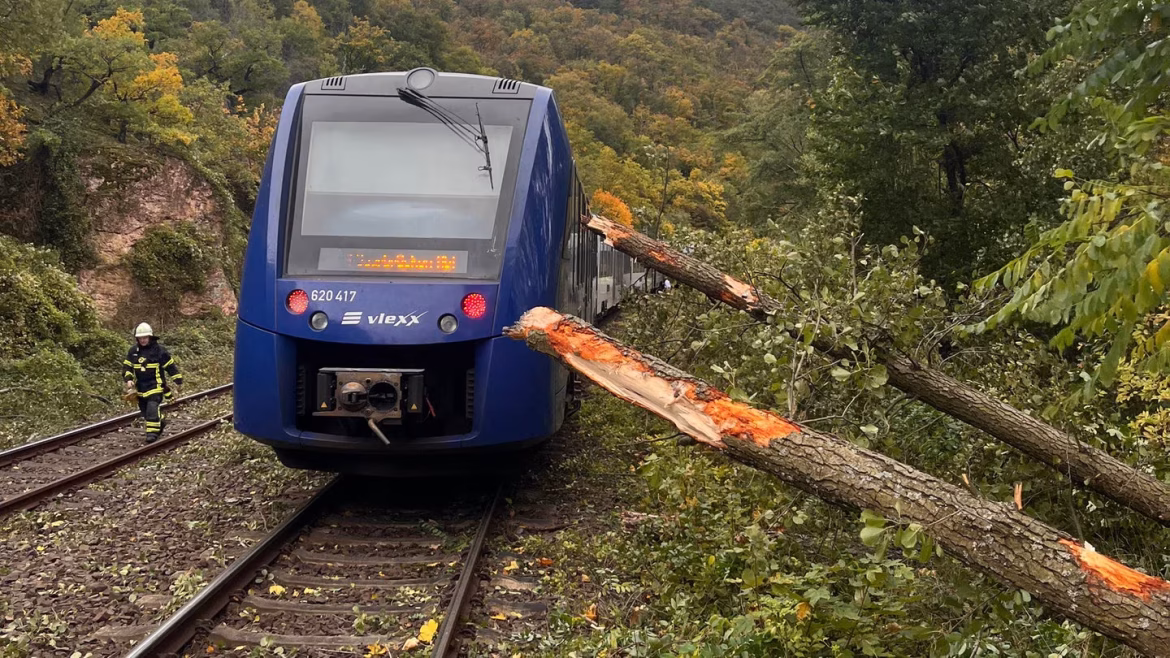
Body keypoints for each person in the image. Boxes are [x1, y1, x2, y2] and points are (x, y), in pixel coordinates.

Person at [122, 323, 183, 443]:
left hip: (156, 386)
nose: (143, 340)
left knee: (152, 409)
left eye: (145, 337)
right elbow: (127, 366)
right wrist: (128, 379)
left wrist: (177, 380)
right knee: (145, 411)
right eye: (140, 338)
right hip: (140, 388)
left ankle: (152, 434)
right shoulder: (133, 351)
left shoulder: (159, 351)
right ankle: (161, 421)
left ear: (150, 337)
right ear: (137, 338)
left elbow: (170, 366)